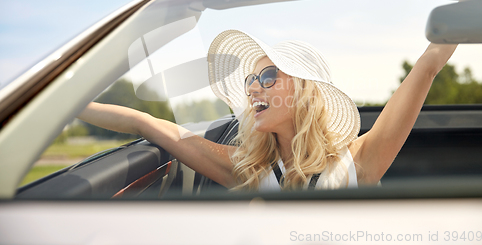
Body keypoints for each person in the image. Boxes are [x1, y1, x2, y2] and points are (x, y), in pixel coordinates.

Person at [78, 29, 457, 191]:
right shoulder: (246, 168)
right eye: (250, 79)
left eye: (269, 75)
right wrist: (64, 107)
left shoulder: (359, 160)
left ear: (305, 91)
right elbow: (142, 121)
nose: (253, 86)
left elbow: (426, 67)